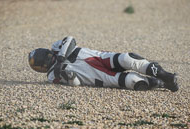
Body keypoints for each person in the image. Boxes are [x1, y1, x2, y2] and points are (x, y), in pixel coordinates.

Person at [28, 36, 179, 92]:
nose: (39, 68)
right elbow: (75, 83)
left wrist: (61, 59)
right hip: (98, 77)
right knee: (132, 81)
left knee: (128, 59)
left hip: (100, 58)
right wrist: (68, 75)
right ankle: (162, 84)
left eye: (37, 65)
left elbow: (71, 40)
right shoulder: (52, 76)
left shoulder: (56, 47)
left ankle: (166, 75)